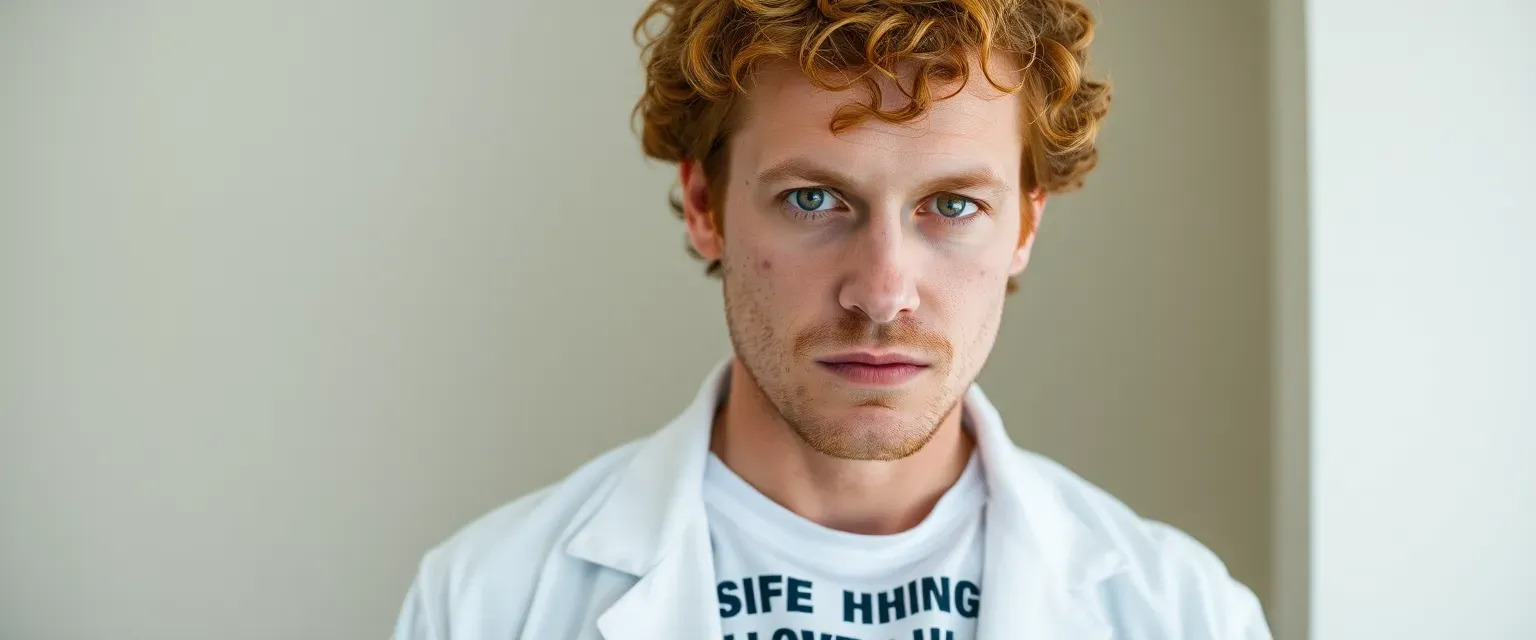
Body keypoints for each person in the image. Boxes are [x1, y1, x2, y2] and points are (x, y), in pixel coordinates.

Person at [393, 0, 1271, 638]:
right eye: (814, 198)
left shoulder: (1181, 611)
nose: (883, 291)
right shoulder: (487, 601)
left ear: (1026, 225)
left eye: (953, 206)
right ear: (706, 205)